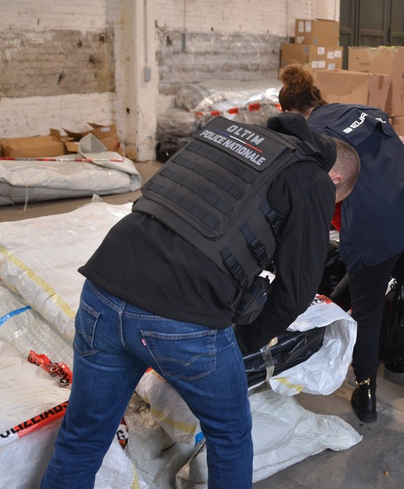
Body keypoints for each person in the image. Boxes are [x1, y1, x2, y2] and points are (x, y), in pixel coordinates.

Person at [40, 112, 359, 489]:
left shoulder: (230, 135)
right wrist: (239, 343)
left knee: (84, 433)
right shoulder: (311, 178)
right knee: (230, 434)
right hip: (183, 318)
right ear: (334, 179)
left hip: (104, 289)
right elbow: (296, 291)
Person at [278, 64, 404, 438]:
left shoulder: (311, 137)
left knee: (366, 316)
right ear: (317, 97)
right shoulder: (366, 112)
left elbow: (329, 199)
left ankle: (365, 399)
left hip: (375, 228)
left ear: (291, 110)